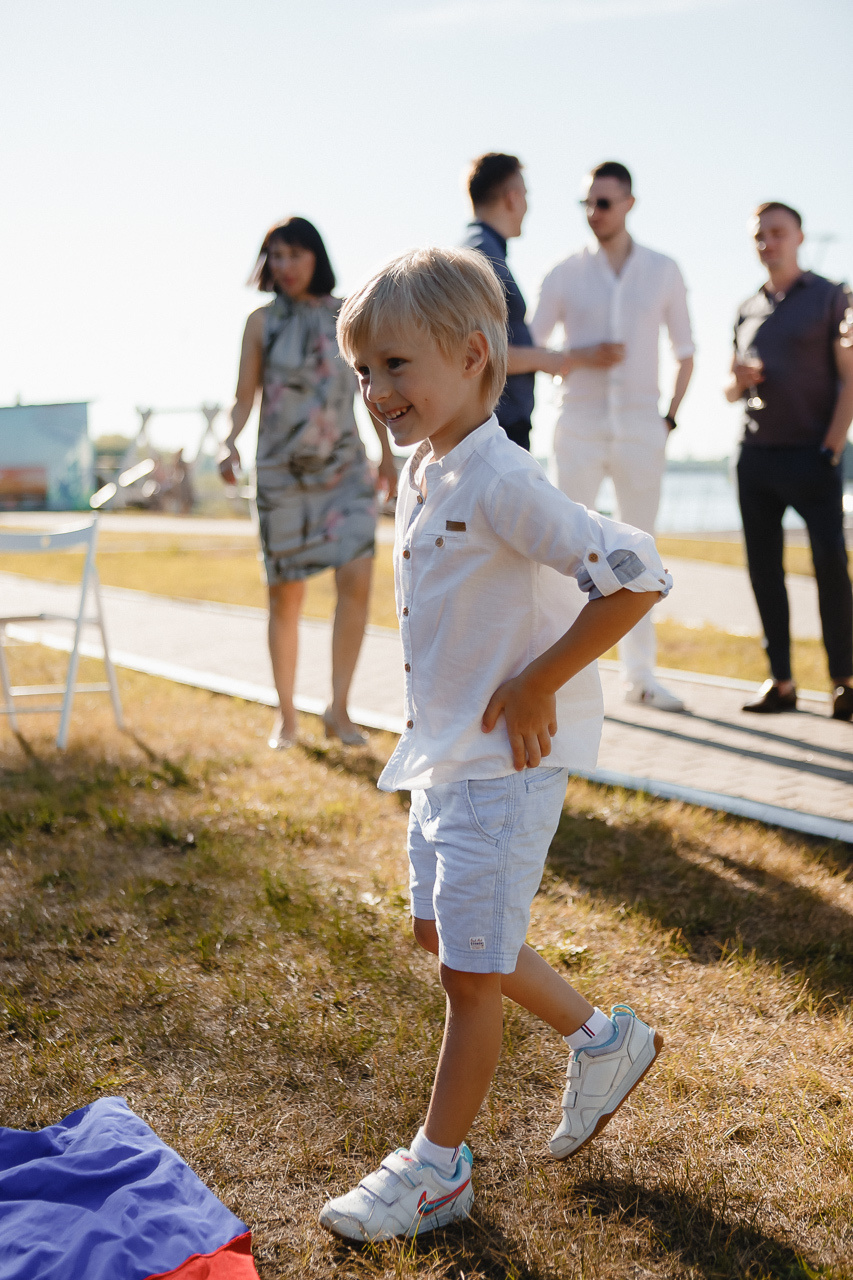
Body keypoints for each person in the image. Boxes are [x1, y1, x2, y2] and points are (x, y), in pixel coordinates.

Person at [318, 246, 670, 1242]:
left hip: (500, 775)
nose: (376, 390)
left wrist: (537, 681)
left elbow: (637, 574)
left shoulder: (501, 476)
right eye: (364, 371)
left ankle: (436, 1171)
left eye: (395, 365)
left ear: (473, 355)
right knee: (444, 937)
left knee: (468, 978)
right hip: (444, 761)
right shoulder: (426, 468)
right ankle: (602, 1039)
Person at [220, 217, 397, 748]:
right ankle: (286, 717)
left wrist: (387, 455)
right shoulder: (260, 323)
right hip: (282, 474)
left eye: (295, 254)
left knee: (357, 583)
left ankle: (339, 710)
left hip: (344, 468)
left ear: (315, 256)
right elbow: (244, 397)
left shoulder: (348, 314)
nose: (285, 266)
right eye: (276, 256)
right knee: (285, 598)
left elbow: (371, 388)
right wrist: (229, 441)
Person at [531, 160, 695, 712]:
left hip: (642, 430)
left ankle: (641, 678)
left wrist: (668, 420)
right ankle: (560, 678)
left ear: (629, 204)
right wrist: (580, 356)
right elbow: (530, 347)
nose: (593, 213)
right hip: (577, 426)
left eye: (603, 202)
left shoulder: (664, 270)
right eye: (586, 203)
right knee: (566, 550)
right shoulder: (563, 272)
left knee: (642, 551)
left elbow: (686, 352)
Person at [726, 202, 853, 717]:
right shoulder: (746, 308)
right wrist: (737, 381)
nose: (768, 243)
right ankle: (781, 682)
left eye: (778, 233)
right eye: (760, 235)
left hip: (813, 455)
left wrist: (831, 448)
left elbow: (850, 377)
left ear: (799, 237)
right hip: (755, 457)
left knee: (831, 567)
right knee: (764, 570)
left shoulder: (832, 297)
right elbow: (729, 389)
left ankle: (844, 682)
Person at [461, 153, 570, 451]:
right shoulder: (481, 256)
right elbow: (471, 352)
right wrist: (545, 359)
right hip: (495, 431)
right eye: (525, 194)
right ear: (512, 198)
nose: (527, 206)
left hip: (495, 428)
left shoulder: (482, 250)